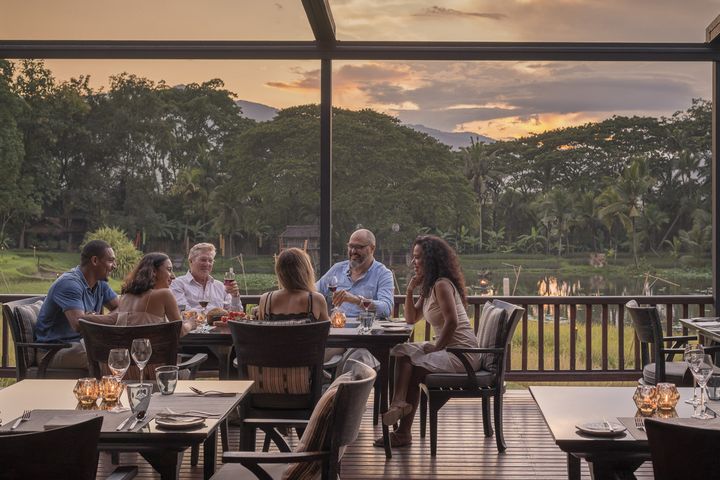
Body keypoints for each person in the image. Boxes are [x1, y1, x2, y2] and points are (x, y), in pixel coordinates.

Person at [374, 235, 479, 449]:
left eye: (418, 257)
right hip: (448, 350)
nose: (414, 262)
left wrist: (436, 347)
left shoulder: (441, 285)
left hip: (462, 354)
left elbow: (452, 321)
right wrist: (410, 290)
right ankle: (399, 404)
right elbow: (411, 319)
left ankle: (403, 432)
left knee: (415, 366)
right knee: (401, 351)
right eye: (413, 257)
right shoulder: (429, 286)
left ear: (430, 260)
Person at [35, 240, 120, 369]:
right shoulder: (69, 284)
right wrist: (111, 318)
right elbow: (79, 324)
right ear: (95, 261)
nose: (114, 265)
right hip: (53, 351)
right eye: (110, 260)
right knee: (113, 358)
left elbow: (120, 307)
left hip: (81, 345)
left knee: (123, 351)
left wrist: (93, 317)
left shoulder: (100, 283)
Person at [106, 252, 196, 335]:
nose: (173, 276)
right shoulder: (164, 294)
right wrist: (190, 324)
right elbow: (180, 331)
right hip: (150, 351)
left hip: (126, 350)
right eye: (169, 270)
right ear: (154, 272)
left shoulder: (125, 296)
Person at [316, 229, 394, 318]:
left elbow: (386, 309)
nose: (353, 251)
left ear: (372, 248)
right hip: (339, 327)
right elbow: (314, 290)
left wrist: (356, 300)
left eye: (359, 247)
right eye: (350, 246)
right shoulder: (337, 269)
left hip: (367, 328)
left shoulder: (383, 274)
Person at [257, 248, 329, 323]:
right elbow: (325, 331)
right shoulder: (316, 299)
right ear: (306, 271)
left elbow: (261, 333)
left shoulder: (266, 300)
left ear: (279, 272)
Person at [170, 242, 242, 312]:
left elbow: (236, 314)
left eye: (210, 261)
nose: (207, 264)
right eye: (203, 260)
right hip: (193, 324)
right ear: (191, 261)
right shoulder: (177, 284)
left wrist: (235, 296)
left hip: (219, 324)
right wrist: (216, 313)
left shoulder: (220, 287)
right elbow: (183, 312)